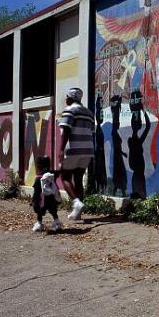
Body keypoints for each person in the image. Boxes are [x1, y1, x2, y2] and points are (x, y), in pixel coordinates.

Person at [59, 87, 95, 220]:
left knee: (65, 178)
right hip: (87, 151)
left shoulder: (69, 110)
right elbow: (92, 131)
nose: (66, 99)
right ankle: (78, 214)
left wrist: (61, 150)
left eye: (67, 97)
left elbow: (66, 131)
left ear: (70, 98)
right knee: (78, 180)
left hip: (73, 150)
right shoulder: (89, 113)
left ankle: (76, 203)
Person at [31, 156, 62, 232]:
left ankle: (39, 224)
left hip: (42, 200)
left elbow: (36, 191)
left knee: (39, 212)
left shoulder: (39, 178)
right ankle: (57, 223)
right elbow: (58, 172)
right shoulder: (52, 174)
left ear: (38, 166)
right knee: (54, 211)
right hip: (52, 198)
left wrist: (34, 201)